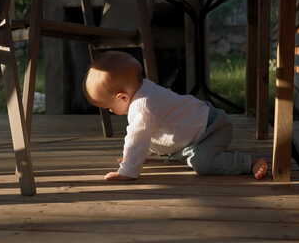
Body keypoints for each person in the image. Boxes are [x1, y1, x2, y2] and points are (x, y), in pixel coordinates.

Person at [83, 51, 268, 181]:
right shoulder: (143, 88)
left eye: (109, 107)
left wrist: (128, 170)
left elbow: (136, 137)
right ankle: (189, 152)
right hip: (193, 133)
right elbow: (144, 137)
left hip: (212, 129)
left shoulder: (142, 106)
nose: (110, 111)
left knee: (201, 163)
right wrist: (134, 155)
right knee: (158, 140)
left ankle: (248, 162)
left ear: (122, 97)